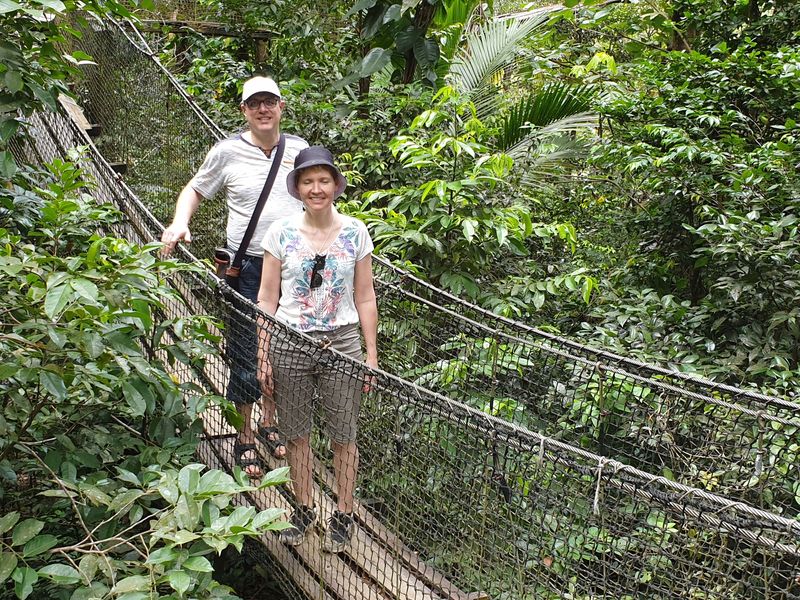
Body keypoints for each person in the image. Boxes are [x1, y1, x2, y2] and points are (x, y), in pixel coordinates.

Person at [161, 76, 309, 478]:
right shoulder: (227, 151)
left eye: (270, 101)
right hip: (247, 269)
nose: (263, 109)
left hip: (294, 268)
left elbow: (320, 195)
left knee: (283, 353)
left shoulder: (299, 150)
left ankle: (269, 421)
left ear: (281, 106)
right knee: (246, 356)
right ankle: (244, 435)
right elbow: (194, 189)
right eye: (254, 103)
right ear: (244, 110)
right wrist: (179, 223)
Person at [256, 146, 378, 553]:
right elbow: (267, 297)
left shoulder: (355, 231)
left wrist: (371, 357)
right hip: (290, 343)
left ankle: (343, 514)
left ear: (336, 185)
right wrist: (263, 353)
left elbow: (365, 297)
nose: (316, 188)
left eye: (323, 180)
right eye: (308, 181)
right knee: (296, 435)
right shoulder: (280, 233)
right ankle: (304, 508)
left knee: (344, 435)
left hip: (341, 345)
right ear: (297, 188)